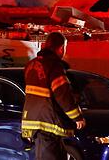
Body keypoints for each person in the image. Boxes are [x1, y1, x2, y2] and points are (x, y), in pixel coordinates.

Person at [22, 32, 86, 160]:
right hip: (48, 122)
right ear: (61, 48)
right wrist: (77, 117)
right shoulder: (54, 66)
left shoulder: (31, 64)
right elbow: (63, 95)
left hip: (33, 121)